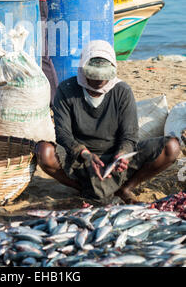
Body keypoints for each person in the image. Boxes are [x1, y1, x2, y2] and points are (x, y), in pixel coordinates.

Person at [36, 40, 181, 205]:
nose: (98, 82)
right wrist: (84, 153)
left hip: (114, 155)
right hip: (80, 157)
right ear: (83, 70)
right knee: (44, 152)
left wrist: (122, 154)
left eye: (103, 77)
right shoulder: (66, 89)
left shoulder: (122, 91)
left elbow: (130, 135)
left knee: (172, 147)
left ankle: (125, 188)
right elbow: (63, 134)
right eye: (93, 76)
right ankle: (81, 187)